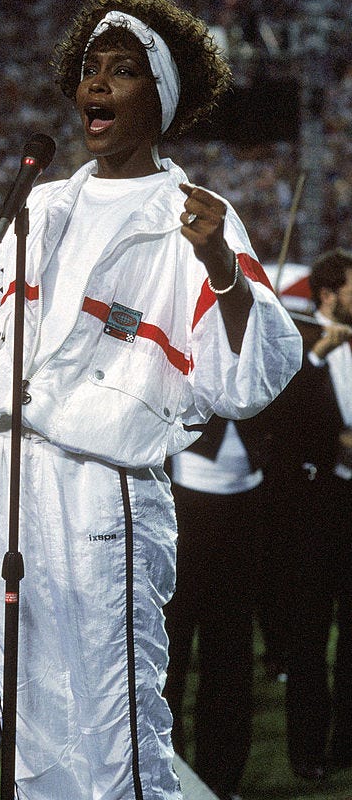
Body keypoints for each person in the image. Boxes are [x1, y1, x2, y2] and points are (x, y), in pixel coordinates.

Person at [0, 0, 302, 800]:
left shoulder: (188, 214)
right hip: (4, 485)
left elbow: (248, 376)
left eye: (121, 71)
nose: (94, 84)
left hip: (98, 489)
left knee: (116, 734)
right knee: (32, 732)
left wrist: (219, 266)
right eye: (88, 68)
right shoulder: (41, 207)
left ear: (165, 96)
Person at [258, 247, 352, 782]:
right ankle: (308, 752)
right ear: (327, 294)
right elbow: (280, 418)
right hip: (314, 510)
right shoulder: (295, 345)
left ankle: (347, 745)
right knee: (310, 636)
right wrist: (318, 356)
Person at [163, 416, 267, 800]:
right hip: (183, 498)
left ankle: (222, 781)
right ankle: (169, 778)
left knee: (231, 650)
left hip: (246, 497)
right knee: (168, 652)